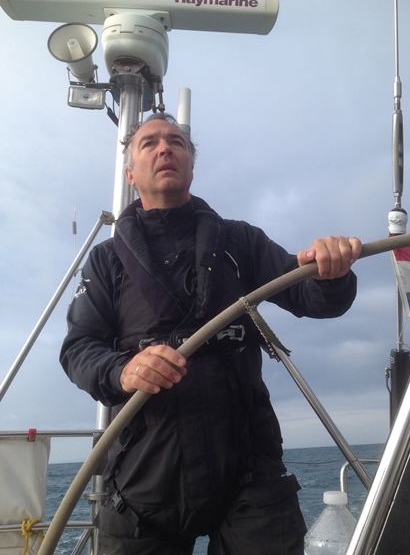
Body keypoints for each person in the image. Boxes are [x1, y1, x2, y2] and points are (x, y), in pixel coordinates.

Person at [60, 113, 361, 555]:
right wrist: (123, 370)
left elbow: (311, 298)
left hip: (248, 463)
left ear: (191, 165)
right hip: (146, 467)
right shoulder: (105, 261)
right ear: (130, 174)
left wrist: (330, 273)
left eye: (176, 142)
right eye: (149, 143)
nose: (165, 148)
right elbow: (79, 348)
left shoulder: (240, 241)